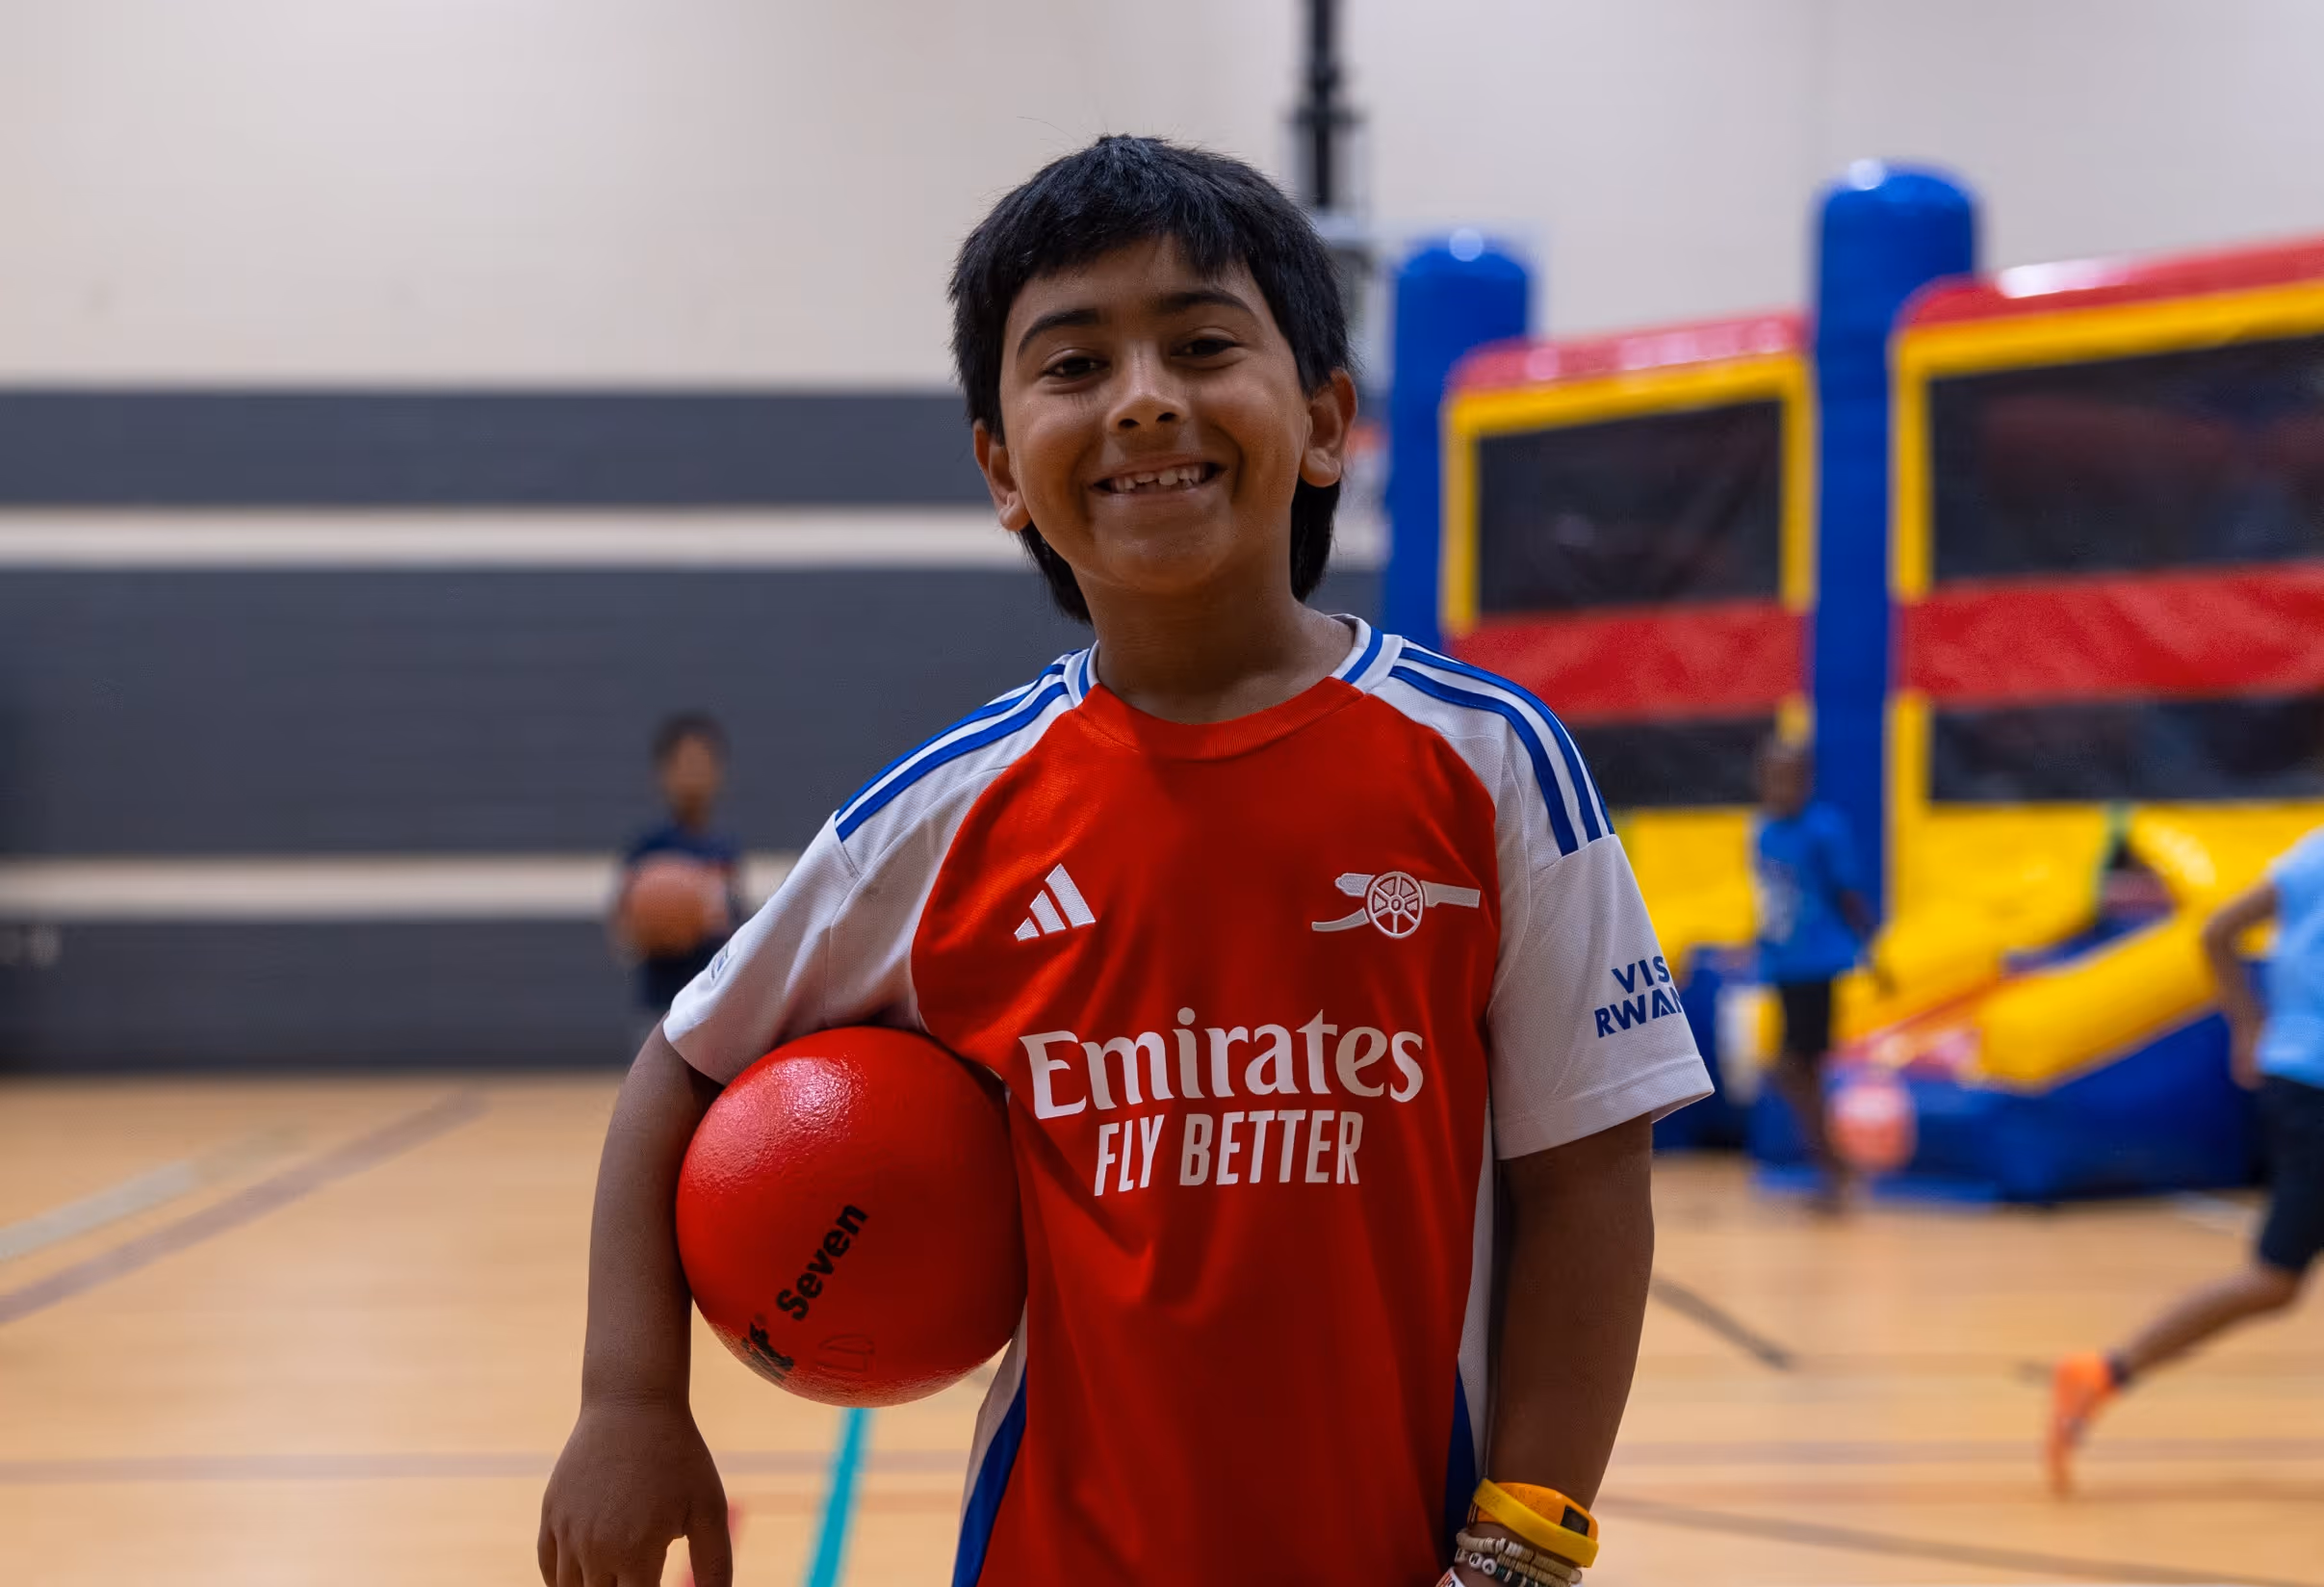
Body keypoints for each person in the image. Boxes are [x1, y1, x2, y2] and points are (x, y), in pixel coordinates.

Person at [538, 136, 1710, 1587]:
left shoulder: (1486, 762)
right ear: (1000, 469)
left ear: (1329, 421)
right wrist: (630, 1402)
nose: (1144, 398)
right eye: (1073, 365)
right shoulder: (954, 810)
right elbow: (682, 1066)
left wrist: (1527, 1536)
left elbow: (1591, 1173)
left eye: (1203, 344)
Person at [2046, 822, 2324, 1495]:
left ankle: (2106, 1372)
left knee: (2275, 1283)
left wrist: (2250, 1023)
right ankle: (2104, 1371)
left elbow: (2218, 934)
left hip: (2296, 1082)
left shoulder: (2310, 853)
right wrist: (2247, 1022)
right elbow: (2215, 932)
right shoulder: (2313, 857)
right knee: (2272, 1280)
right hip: (2313, 1090)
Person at [1751, 737, 1877, 1209]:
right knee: (1795, 1069)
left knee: (1798, 1066)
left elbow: (1847, 894)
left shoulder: (1824, 829)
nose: (1778, 788)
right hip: (1784, 964)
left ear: (1807, 782)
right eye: (1770, 778)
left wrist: (1871, 948)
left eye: (1789, 778)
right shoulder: (1762, 832)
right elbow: (1771, 899)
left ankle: (1835, 1168)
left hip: (1817, 963)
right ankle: (1832, 1166)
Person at [613, 713, 742, 1019]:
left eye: (701, 762)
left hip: (712, 1005)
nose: (692, 773)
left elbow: (735, 925)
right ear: (663, 773)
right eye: (684, 763)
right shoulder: (647, 848)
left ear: (718, 772)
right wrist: (658, 926)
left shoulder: (725, 850)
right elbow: (621, 930)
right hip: (662, 1005)